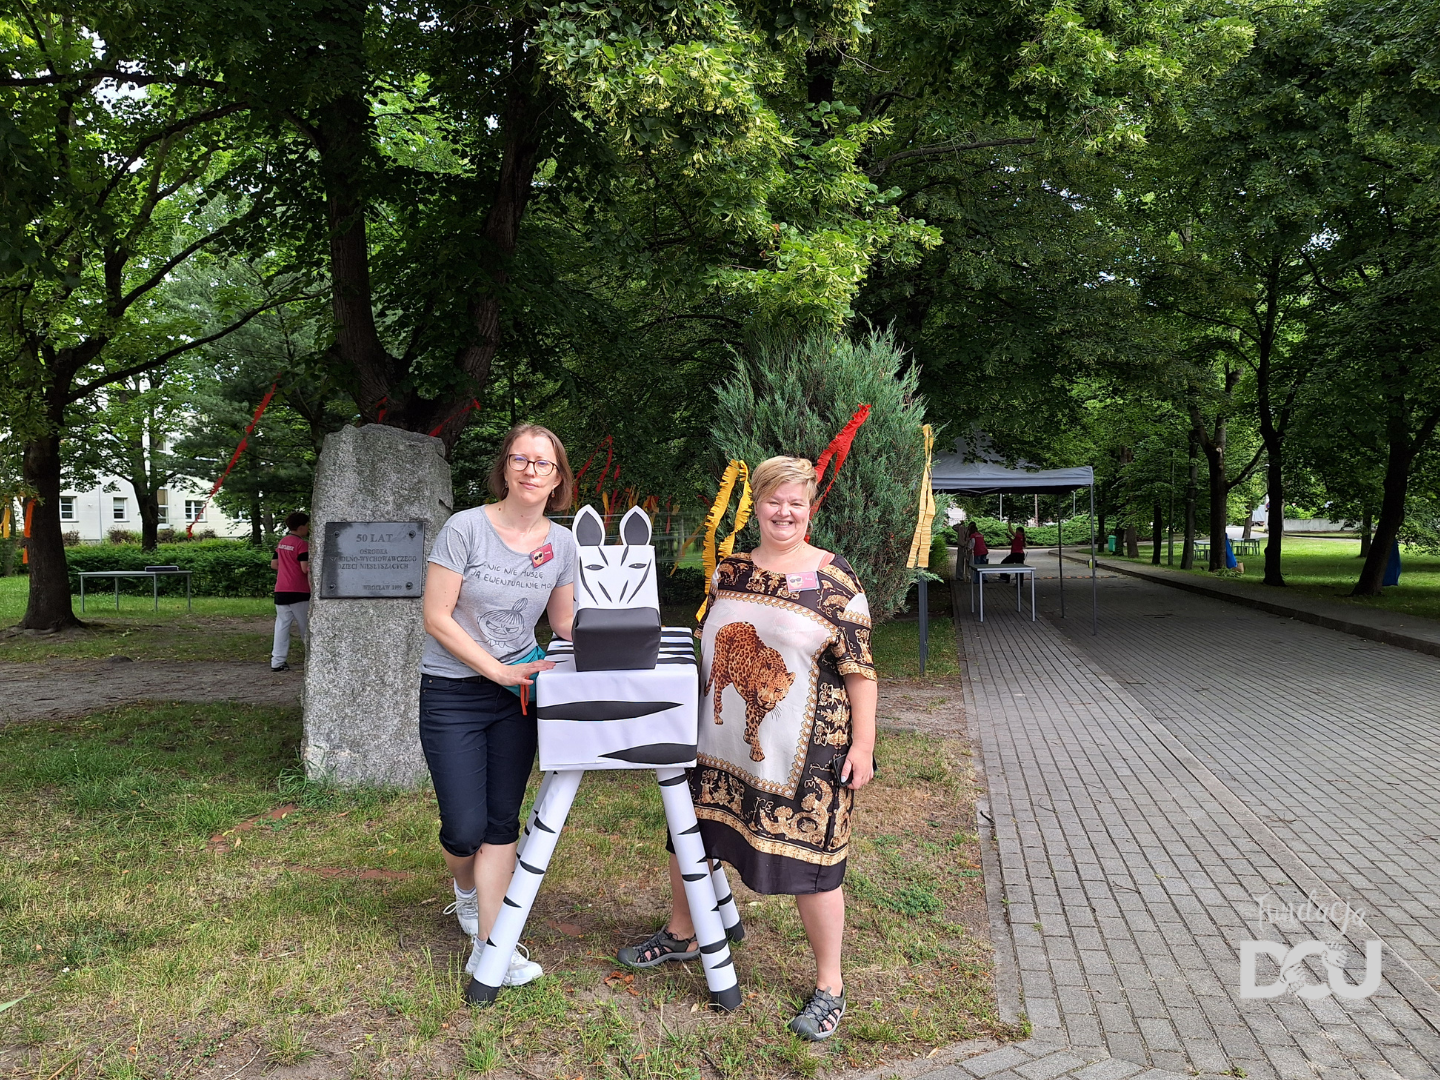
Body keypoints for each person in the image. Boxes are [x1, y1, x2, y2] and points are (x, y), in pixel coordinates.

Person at [617, 455, 877, 1042]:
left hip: (807, 757)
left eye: (796, 503)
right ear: (756, 505)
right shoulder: (729, 571)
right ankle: (683, 933)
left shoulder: (837, 582)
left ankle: (830, 985)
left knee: (814, 867)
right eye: (773, 501)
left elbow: (860, 672)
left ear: (810, 509)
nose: (784, 512)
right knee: (694, 836)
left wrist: (862, 745)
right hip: (720, 747)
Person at [420, 423, 577, 990]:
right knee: (463, 829)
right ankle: (464, 890)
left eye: (543, 463)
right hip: (453, 692)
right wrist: (496, 669)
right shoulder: (465, 528)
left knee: (500, 823)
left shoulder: (562, 544)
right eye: (521, 459)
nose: (531, 471)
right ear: (505, 468)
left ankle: (492, 948)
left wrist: (622, 638)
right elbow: (436, 617)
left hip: (518, 695)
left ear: (557, 479)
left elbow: (564, 623)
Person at [270, 511, 310, 672]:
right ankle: (313, 658)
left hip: (281, 589)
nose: (308, 528)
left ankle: (277, 662)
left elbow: (274, 564)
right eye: (307, 525)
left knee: (281, 626)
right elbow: (304, 568)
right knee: (306, 627)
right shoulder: (302, 544)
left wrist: (287, 568)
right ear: (300, 527)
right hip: (299, 590)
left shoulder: (282, 542)